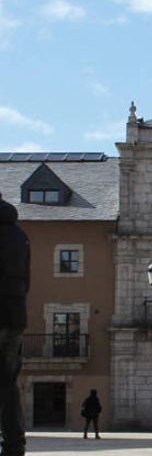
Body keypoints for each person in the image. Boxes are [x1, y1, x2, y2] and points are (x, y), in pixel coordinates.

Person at [0, 194, 31, 456]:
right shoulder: (20, 235)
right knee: (8, 385)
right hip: (15, 317)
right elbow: (27, 281)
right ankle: (14, 445)